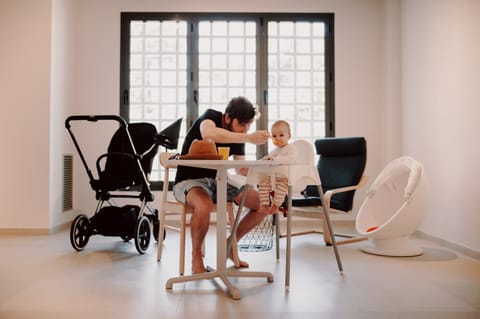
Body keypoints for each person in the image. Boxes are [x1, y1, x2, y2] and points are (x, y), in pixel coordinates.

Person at [173, 96, 270, 274]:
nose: (245, 129)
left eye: (248, 125)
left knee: (264, 203)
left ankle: (230, 245)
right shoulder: (211, 117)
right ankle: (196, 258)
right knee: (204, 205)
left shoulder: (240, 136)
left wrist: (267, 167)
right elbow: (209, 134)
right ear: (227, 118)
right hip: (189, 181)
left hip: (219, 183)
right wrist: (248, 137)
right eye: (242, 124)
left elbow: (241, 169)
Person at [258, 120, 296, 215]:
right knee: (262, 185)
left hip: (285, 178)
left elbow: (290, 160)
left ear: (289, 136)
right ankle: (264, 205)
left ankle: (276, 206)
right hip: (273, 177)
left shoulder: (291, 148)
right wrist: (260, 162)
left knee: (280, 191)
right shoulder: (275, 150)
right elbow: (268, 157)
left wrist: (276, 159)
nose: (277, 138)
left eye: (281, 135)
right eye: (274, 136)